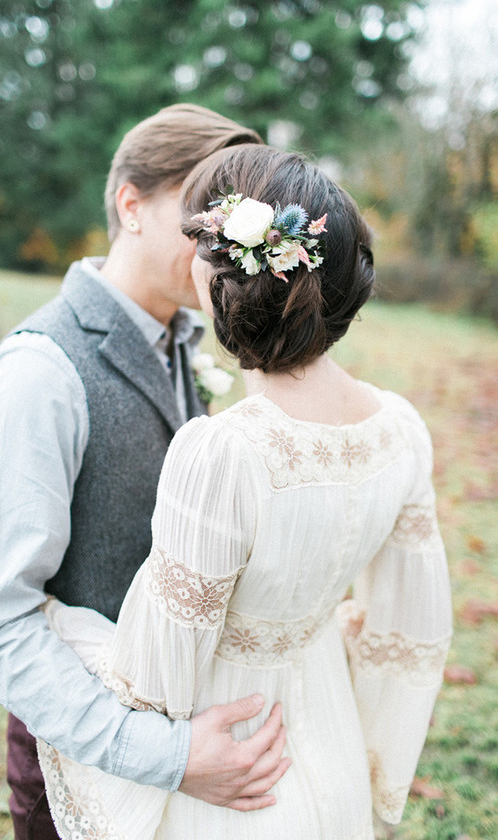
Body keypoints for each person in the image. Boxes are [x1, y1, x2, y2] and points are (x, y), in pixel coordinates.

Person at [35, 143, 453, 840]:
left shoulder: (224, 451)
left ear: (219, 273)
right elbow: (409, 634)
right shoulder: (401, 432)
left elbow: (155, 682)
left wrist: (62, 627)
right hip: (333, 747)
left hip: (229, 780)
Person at [0, 107, 292, 840]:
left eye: (233, 220)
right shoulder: (38, 374)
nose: (222, 243)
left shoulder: (187, 341)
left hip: (192, 754)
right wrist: (168, 755)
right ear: (131, 205)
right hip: (81, 771)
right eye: (203, 212)